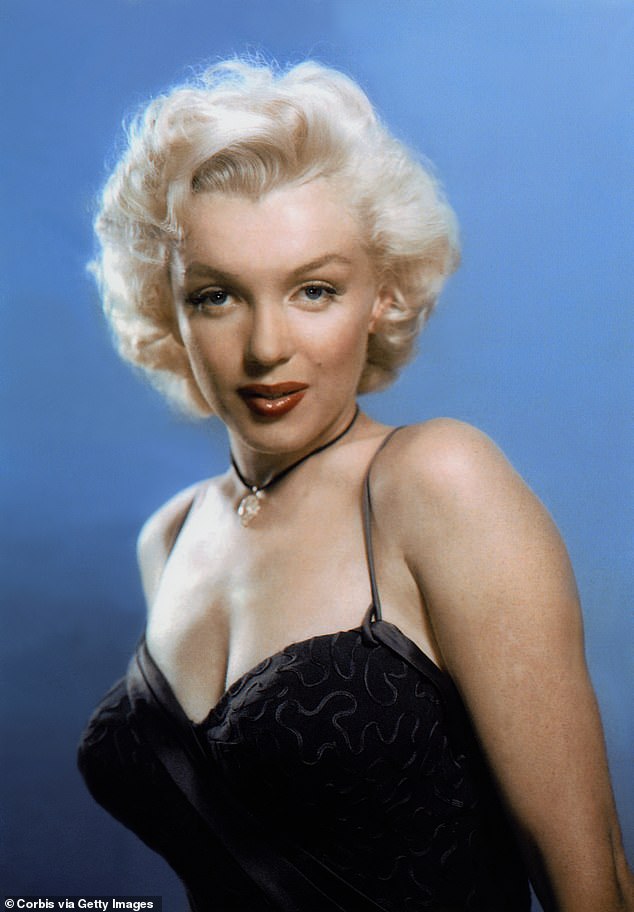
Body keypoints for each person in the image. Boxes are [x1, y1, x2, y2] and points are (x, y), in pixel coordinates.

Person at [78, 59, 633, 912]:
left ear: (383, 295)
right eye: (218, 296)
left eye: (315, 290)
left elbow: (592, 887)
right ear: (169, 307)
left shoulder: (436, 483)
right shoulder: (171, 537)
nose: (267, 347)